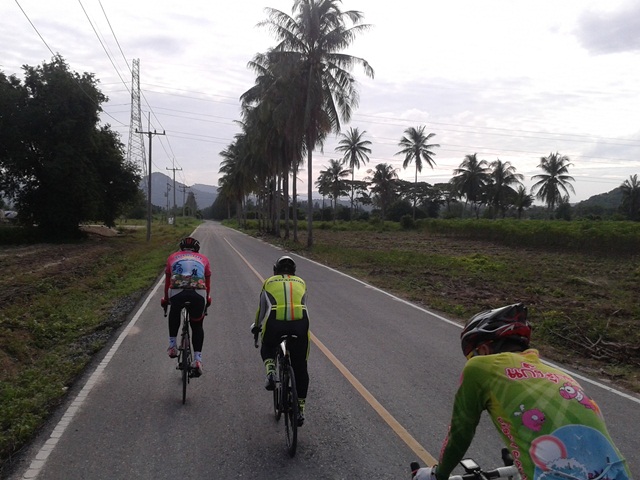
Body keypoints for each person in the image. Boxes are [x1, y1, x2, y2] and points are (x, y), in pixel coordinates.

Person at [414, 303, 631, 480]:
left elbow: (460, 432)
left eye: (471, 355)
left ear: (484, 349)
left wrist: (438, 474)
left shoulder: (480, 367)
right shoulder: (563, 377)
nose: (471, 361)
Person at [252, 255, 310, 426]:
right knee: (301, 367)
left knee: (267, 346)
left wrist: (257, 326)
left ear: (275, 269)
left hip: (275, 323)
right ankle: (300, 409)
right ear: (294, 271)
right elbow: (303, 304)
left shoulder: (268, 282)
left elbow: (262, 309)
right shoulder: (302, 282)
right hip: (300, 324)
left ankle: (271, 372)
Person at [161, 236, 211, 377]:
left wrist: (165, 300)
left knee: (174, 312)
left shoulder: (172, 257)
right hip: (198, 293)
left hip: (177, 292)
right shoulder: (204, 259)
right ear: (197, 249)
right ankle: (197, 360)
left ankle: (172, 346)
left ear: (181, 248)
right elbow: (207, 284)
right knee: (197, 325)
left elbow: (167, 282)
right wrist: (207, 300)